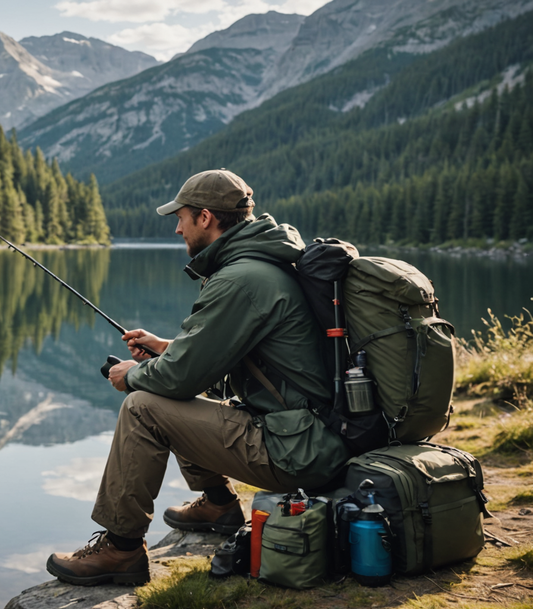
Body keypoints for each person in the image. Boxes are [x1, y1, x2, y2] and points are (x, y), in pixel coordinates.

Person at [45, 169, 350, 587]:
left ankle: (121, 550)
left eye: (182, 217)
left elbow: (178, 381)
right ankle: (220, 505)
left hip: (299, 452)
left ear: (205, 218)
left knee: (143, 406)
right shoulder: (261, 265)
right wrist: (164, 347)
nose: (176, 227)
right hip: (309, 435)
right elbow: (209, 359)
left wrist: (133, 375)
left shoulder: (241, 280)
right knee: (168, 390)